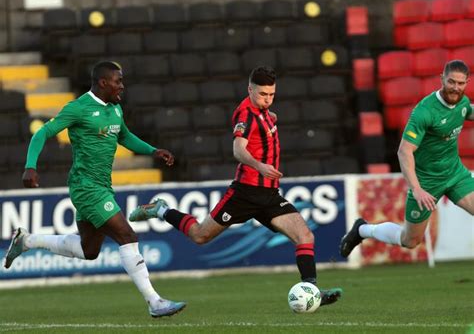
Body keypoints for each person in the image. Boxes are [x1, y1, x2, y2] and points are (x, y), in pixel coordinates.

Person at [129, 65, 343, 307]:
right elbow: (238, 150)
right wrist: (260, 166)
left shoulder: (264, 112)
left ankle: (312, 291)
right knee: (200, 235)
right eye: (263, 94)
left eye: (272, 94)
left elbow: (265, 123)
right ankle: (161, 209)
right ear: (249, 89)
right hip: (245, 193)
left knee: (305, 236)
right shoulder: (245, 115)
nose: (268, 99)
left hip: (270, 195)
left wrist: (270, 117)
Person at [3, 61, 186, 318]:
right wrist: (30, 166)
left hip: (102, 186)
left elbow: (124, 136)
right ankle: (155, 302)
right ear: (103, 83)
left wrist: (152, 150)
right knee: (127, 236)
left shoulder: (115, 109)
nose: (121, 86)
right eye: (117, 81)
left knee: (89, 251)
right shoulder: (79, 108)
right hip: (85, 187)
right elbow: (42, 133)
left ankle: (28, 240)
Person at [340, 60, 474, 258]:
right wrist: (417, 189)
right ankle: (362, 230)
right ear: (442, 79)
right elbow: (404, 152)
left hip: (455, 174)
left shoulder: (462, 102)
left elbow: (468, 111)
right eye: (451, 82)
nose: (455, 88)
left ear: (467, 82)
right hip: (425, 181)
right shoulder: (425, 112)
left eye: (461, 83)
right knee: (410, 240)